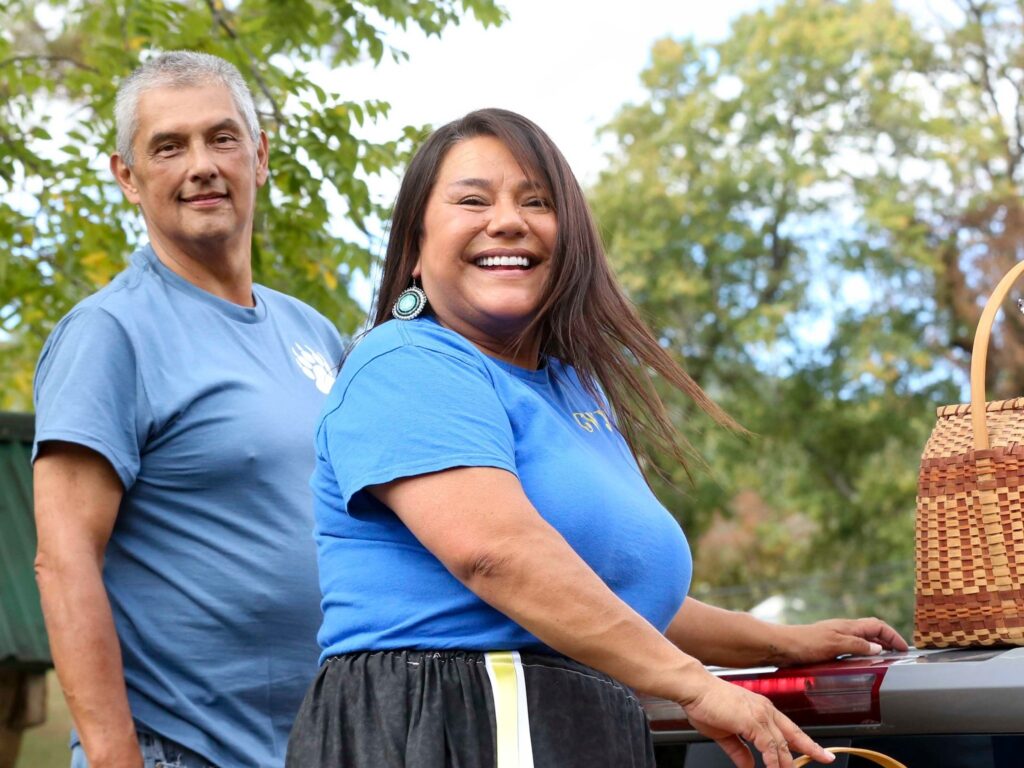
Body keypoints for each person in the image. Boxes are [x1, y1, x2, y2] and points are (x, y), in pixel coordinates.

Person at [286, 108, 908, 768]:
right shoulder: (404, 362)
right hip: (454, 718)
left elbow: (615, 595)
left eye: (537, 202)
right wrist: (694, 684)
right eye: (473, 199)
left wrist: (777, 642)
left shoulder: (571, 391)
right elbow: (499, 555)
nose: (507, 220)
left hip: (560, 718)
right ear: (412, 249)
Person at [32, 51, 344, 768]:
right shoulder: (109, 333)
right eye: (168, 147)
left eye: (221, 138)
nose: (201, 165)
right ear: (128, 179)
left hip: (319, 745)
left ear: (260, 156)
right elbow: (64, 560)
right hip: (180, 751)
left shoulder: (315, 334)